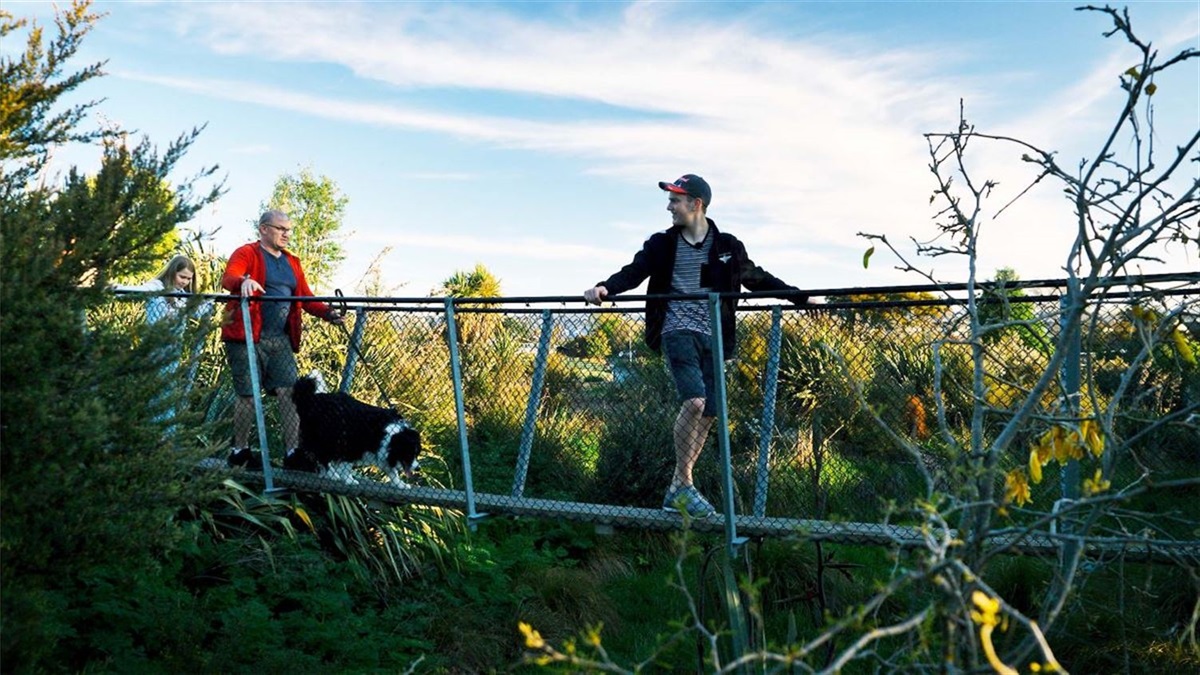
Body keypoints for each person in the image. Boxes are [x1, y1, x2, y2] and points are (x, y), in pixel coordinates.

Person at [583, 174, 808, 517]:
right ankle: (684, 484)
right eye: (670, 200)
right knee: (695, 402)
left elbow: (756, 278)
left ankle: (678, 489)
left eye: (676, 200)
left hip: (715, 339)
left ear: (696, 204)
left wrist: (799, 297)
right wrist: (604, 288)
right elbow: (633, 272)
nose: (669, 207)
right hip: (677, 330)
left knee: (710, 413)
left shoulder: (728, 246)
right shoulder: (661, 244)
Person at [220, 210, 343, 469]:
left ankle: (292, 453)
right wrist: (245, 281)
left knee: (290, 393)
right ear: (264, 229)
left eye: (289, 229)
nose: (287, 234)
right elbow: (229, 277)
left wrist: (328, 313)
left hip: (280, 340)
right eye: (281, 229)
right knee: (248, 396)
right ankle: (239, 450)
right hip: (246, 338)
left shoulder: (293, 262)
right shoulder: (247, 253)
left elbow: (306, 297)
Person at [115, 254, 200, 323]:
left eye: (188, 279)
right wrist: (114, 288)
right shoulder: (156, 286)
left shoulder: (184, 296)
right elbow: (137, 291)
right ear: (172, 273)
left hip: (176, 341)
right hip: (155, 339)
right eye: (182, 277)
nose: (185, 282)